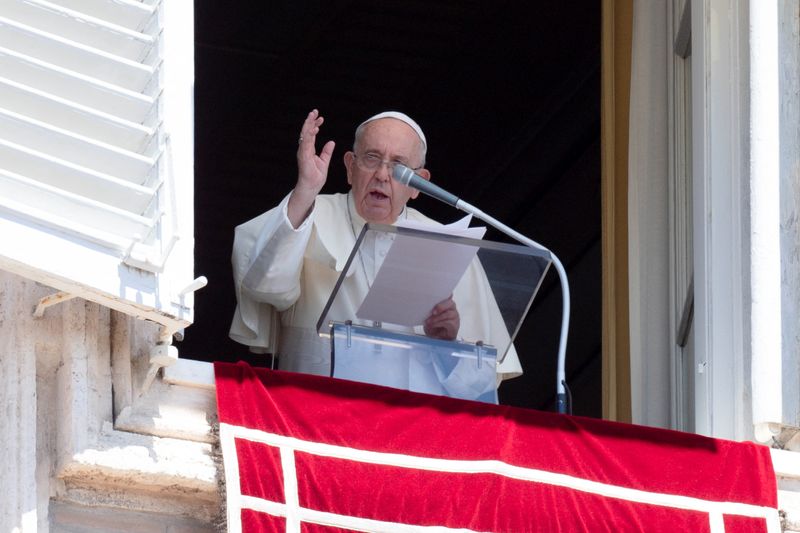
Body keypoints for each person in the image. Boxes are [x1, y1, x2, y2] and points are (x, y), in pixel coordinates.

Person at [229, 109, 522, 398]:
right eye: (372, 158)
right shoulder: (306, 215)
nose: (383, 174)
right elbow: (265, 287)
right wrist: (305, 190)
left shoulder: (449, 245)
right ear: (349, 166)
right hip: (316, 416)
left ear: (419, 183)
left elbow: (480, 386)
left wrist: (448, 346)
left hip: (412, 432)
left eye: (399, 166)